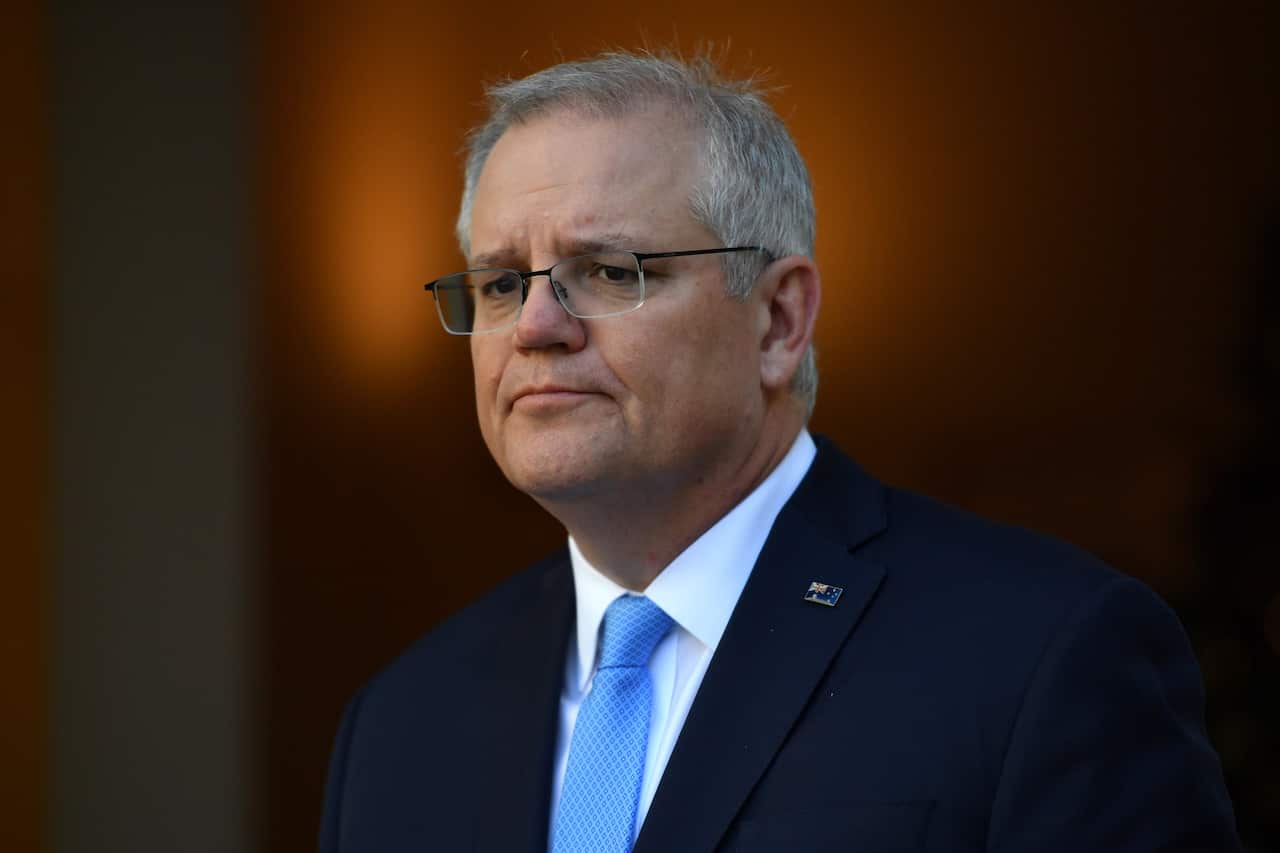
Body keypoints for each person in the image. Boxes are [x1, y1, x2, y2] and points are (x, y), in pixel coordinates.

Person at [319, 51, 1239, 853]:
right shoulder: (404, 720)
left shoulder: (1045, 654)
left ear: (778, 319)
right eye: (500, 282)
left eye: (609, 271)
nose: (536, 326)